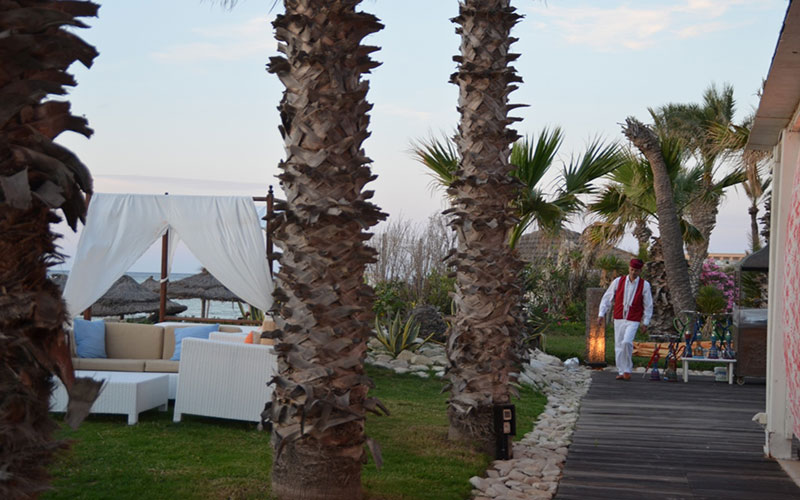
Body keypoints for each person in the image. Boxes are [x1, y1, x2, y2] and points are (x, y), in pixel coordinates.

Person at [596, 258, 653, 381]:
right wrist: (601, 314)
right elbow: (607, 298)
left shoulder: (645, 285)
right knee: (618, 344)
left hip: (633, 318)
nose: (633, 272)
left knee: (627, 342)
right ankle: (621, 371)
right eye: (632, 269)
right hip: (619, 317)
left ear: (640, 271)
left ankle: (627, 369)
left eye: (636, 270)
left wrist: (646, 322)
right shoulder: (618, 281)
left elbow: (648, 305)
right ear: (629, 268)